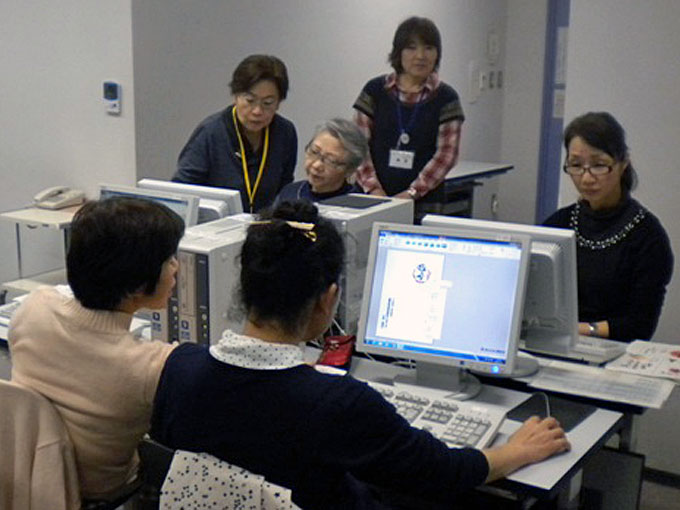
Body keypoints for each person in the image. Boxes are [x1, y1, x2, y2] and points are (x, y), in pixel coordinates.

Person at [151, 200, 569, 509]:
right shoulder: (336, 403)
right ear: (328, 300)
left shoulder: (179, 369)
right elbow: (440, 471)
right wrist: (516, 451)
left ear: (244, 286)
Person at [8, 197, 183, 500]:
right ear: (137, 283)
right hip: (101, 492)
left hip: (26, 477)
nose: (176, 267)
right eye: (168, 260)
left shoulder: (34, 308)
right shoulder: (152, 366)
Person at [544, 112, 673, 341]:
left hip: (613, 350)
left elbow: (639, 325)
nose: (586, 178)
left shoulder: (648, 236)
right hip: (554, 343)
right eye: (576, 165)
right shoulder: (558, 224)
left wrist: (580, 330)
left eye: (599, 165)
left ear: (623, 164)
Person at [353, 16, 464, 222]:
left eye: (428, 48)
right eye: (411, 48)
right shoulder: (374, 91)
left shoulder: (447, 98)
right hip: (370, 199)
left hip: (424, 203)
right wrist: (374, 190)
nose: (420, 56)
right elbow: (357, 145)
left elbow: (447, 155)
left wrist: (411, 193)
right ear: (398, 52)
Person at [172, 54, 298, 213]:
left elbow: (284, 191)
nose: (257, 111)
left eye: (268, 103)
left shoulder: (285, 133)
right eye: (250, 100)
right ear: (236, 96)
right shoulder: (211, 132)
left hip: (265, 225)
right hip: (214, 225)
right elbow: (182, 193)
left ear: (279, 103)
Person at [275, 118, 368, 203]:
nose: (316, 165)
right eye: (314, 152)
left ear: (350, 170)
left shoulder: (358, 204)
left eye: (331, 160)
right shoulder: (290, 192)